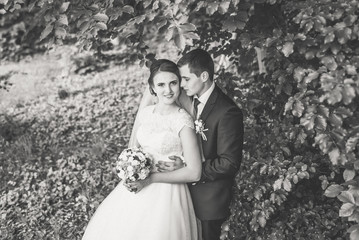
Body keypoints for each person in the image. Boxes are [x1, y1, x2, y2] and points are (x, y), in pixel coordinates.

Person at [82, 59, 202, 240]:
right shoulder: (146, 114)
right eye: (161, 84)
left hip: (167, 195)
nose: (168, 90)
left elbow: (194, 172)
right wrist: (130, 169)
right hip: (137, 186)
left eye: (173, 83)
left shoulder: (183, 121)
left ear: (179, 84)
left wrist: (151, 179)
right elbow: (133, 149)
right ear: (152, 88)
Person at [157, 49, 244, 240]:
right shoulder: (186, 101)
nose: (181, 84)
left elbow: (229, 163)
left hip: (208, 202)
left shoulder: (227, 112)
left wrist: (192, 169)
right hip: (181, 196)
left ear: (203, 76)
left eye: (186, 79)